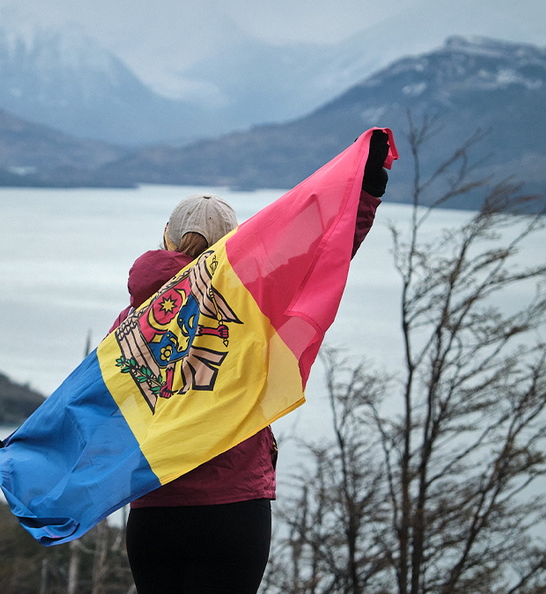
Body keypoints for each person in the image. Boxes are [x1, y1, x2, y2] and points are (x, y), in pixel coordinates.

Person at [111, 131, 390, 594]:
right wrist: (365, 193)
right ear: (234, 244)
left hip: (156, 510)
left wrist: (18, 455)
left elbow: (89, 403)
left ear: (166, 239)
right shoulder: (257, 309)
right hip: (234, 509)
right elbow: (324, 255)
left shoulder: (131, 324)